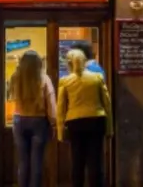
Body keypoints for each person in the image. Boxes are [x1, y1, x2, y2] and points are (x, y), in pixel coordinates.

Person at [57, 49, 113, 187]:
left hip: (75, 124)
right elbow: (107, 104)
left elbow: (60, 109)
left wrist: (60, 132)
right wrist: (110, 128)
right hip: (96, 121)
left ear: (69, 64)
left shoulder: (65, 81)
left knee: (77, 162)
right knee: (96, 162)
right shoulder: (97, 78)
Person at [9, 50, 56, 187]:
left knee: (23, 162)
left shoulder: (15, 78)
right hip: (38, 121)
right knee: (36, 162)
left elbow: (11, 97)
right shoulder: (44, 79)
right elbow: (51, 104)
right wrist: (53, 123)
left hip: (19, 120)